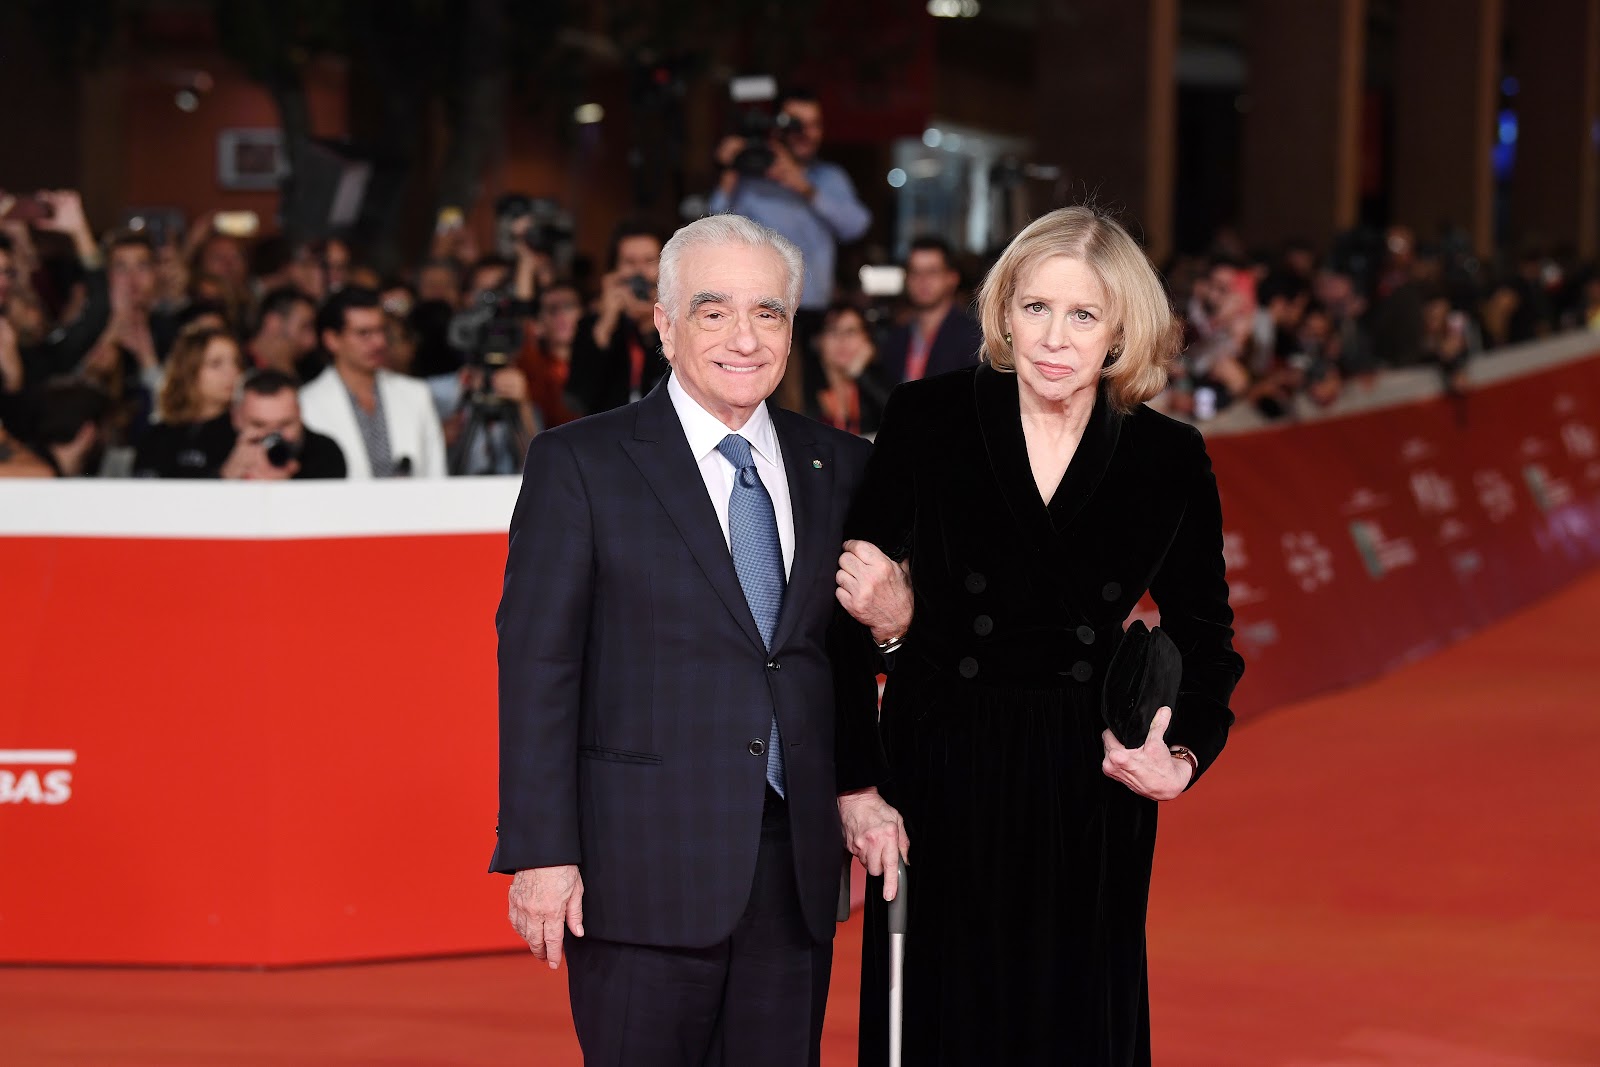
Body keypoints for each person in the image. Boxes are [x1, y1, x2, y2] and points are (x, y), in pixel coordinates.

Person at [834, 205, 1245, 1066]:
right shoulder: (929, 418)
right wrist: (858, 782)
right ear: (1004, 313)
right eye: (1035, 309)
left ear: (1121, 329)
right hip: (938, 768)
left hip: (1088, 782)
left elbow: (1208, 635)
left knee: (1072, 1030)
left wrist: (1184, 755)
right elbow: (846, 611)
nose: (1055, 339)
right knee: (934, 1027)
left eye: (1083, 315)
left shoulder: (1166, 456)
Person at [491, 214, 880, 1066]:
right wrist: (541, 851)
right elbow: (538, 665)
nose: (745, 337)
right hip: (639, 868)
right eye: (713, 311)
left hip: (793, 870)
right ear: (664, 324)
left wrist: (858, 781)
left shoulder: (841, 465)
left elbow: (839, 655)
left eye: (768, 313)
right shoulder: (581, 463)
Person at [710, 89, 872, 409]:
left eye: (814, 125)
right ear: (777, 127)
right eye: (797, 124)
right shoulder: (750, 179)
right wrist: (730, 168)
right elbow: (711, 228)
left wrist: (803, 187)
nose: (806, 133)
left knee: (815, 414)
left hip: (816, 315)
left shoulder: (828, 178)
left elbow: (857, 225)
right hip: (760, 314)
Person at [299, 287, 446, 478]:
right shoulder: (306, 403)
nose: (379, 343)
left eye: (381, 331)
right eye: (364, 333)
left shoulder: (416, 394)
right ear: (332, 340)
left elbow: (435, 473)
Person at [566, 222, 667, 415]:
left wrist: (651, 326)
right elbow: (579, 396)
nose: (639, 273)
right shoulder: (592, 325)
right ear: (614, 270)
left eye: (649, 261)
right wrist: (606, 324)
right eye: (629, 262)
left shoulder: (679, 323)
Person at [133, 327, 244, 478]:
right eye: (216, 363)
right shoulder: (157, 436)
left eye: (236, 362)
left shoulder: (242, 435)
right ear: (188, 370)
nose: (232, 372)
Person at [876, 236, 983, 384]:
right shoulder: (895, 337)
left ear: (952, 278)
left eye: (932, 271)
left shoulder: (973, 337)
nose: (922, 280)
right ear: (907, 279)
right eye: (915, 271)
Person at [217, 369, 347, 480]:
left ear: (299, 415)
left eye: (284, 424)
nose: (273, 435)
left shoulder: (325, 452)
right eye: (259, 425)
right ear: (236, 418)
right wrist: (226, 479)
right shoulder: (215, 445)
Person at [805, 302, 888, 436]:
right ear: (817, 341)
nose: (842, 340)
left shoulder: (876, 382)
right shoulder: (800, 386)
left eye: (851, 331)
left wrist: (860, 374)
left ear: (867, 339)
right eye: (833, 331)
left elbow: (904, 418)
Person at [245, 286, 319, 381]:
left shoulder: (311, 370)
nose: (311, 341)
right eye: (304, 327)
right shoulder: (239, 369)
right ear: (273, 323)